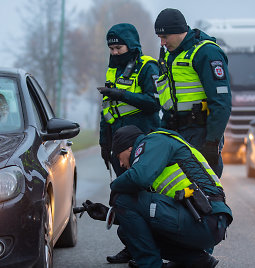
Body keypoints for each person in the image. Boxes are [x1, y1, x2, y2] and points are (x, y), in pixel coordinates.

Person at [83, 125, 232, 268]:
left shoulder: (155, 141)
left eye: (118, 157)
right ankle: (196, 261)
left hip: (205, 218)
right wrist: (112, 215)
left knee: (122, 198)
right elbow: (143, 213)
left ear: (129, 148)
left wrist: (114, 187)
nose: (121, 164)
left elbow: (138, 178)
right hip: (201, 220)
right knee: (125, 231)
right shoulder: (154, 156)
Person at [98, 23, 161, 264]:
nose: (114, 53)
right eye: (111, 49)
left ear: (131, 46)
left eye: (119, 48)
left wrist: (122, 95)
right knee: (125, 198)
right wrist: (105, 143)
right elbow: (107, 110)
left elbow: (154, 102)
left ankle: (152, 249)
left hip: (143, 145)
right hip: (118, 145)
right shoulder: (112, 71)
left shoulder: (147, 66)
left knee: (145, 200)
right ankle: (133, 246)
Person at [154, 8, 232, 178]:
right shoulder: (171, 56)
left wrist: (212, 142)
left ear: (178, 32)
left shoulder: (207, 52)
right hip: (176, 132)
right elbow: (170, 102)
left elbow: (221, 103)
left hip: (200, 133)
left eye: (164, 37)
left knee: (204, 193)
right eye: (160, 38)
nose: (162, 43)